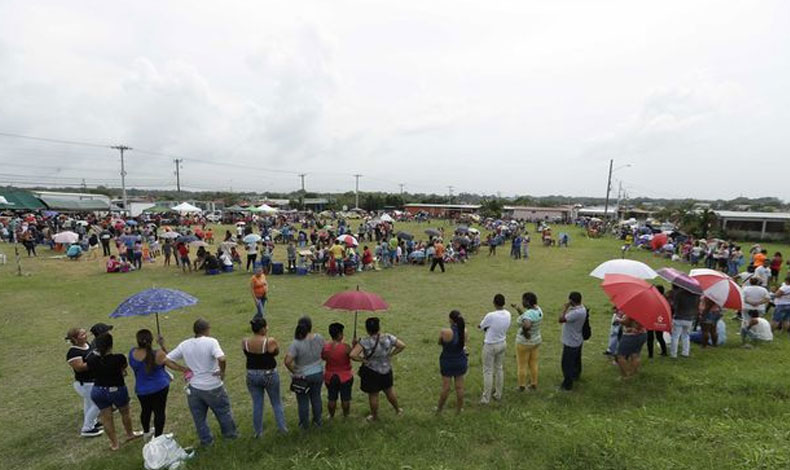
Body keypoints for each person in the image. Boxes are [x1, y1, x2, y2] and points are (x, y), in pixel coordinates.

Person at [166, 319, 237, 446]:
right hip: (213, 386)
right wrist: (222, 372)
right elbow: (222, 358)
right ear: (207, 329)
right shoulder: (211, 342)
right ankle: (230, 436)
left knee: (199, 418)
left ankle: (206, 441)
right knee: (223, 412)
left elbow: (167, 359)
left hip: (194, 388)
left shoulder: (185, 344)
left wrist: (183, 369)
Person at [85, 333, 143, 450]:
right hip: (117, 389)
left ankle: (114, 443)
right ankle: (129, 434)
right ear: (111, 345)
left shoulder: (90, 359)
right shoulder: (119, 358)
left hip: (98, 390)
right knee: (125, 412)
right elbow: (123, 369)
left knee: (106, 417)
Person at [129, 329, 188, 439]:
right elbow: (171, 361)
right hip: (160, 387)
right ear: (152, 340)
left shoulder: (132, 353)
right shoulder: (158, 354)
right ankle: (158, 437)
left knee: (145, 410)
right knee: (159, 412)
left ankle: (146, 432)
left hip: (142, 389)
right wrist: (162, 345)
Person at [350, 317, 405, 421]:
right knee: (389, 391)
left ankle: (374, 416)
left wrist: (363, 360)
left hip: (371, 372)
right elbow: (402, 345)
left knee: (373, 394)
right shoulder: (388, 337)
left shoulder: (365, 342)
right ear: (379, 327)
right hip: (386, 369)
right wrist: (391, 355)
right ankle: (398, 410)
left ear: (367, 329)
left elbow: (352, 355)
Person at [243, 318, 287, 438]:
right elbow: (275, 352)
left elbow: (248, 354)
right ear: (262, 328)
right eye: (266, 327)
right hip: (269, 374)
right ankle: (283, 429)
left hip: (251, 375)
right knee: (276, 403)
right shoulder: (269, 341)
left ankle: (258, 433)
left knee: (257, 404)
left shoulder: (245, 341)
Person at [284, 316, 325, 429]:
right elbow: (324, 352)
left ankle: (304, 425)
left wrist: (295, 371)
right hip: (318, 373)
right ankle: (318, 422)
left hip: (302, 376)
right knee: (316, 398)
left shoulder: (296, 343)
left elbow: (287, 361)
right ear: (311, 326)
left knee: (303, 401)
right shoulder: (319, 338)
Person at [65, 327, 103, 438]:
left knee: (89, 404)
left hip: (92, 381)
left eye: (85, 333)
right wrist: (95, 362)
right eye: (82, 335)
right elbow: (79, 367)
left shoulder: (87, 344)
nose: (85, 336)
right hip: (85, 383)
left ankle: (93, 422)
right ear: (75, 339)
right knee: (99, 402)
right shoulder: (73, 352)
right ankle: (87, 428)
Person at [477, 294, 511, 404]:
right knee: (499, 368)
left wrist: (482, 326)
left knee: (487, 371)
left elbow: (481, 326)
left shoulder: (491, 315)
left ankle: (486, 398)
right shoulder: (508, 314)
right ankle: (498, 393)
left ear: (494, 303)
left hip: (490, 345)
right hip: (502, 342)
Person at [436, 310, 468, 413]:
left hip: (447, 361)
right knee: (459, 387)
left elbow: (439, 342)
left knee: (446, 388)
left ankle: (439, 409)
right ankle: (459, 409)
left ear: (450, 319)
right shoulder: (464, 331)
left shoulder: (445, 332)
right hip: (460, 360)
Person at [321, 322, 354, 418]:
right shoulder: (346, 347)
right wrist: (354, 345)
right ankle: (346, 415)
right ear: (340, 335)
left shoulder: (325, 347)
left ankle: (331, 415)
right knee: (345, 398)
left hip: (330, 377)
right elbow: (353, 355)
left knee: (331, 398)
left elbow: (323, 357)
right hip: (345, 377)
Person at [513, 292, 543, 391]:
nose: (522, 302)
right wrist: (518, 309)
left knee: (522, 364)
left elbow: (527, 324)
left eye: (523, 300)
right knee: (533, 363)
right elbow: (526, 316)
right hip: (536, 341)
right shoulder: (538, 310)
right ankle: (534, 383)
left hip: (524, 343)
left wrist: (525, 333)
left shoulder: (529, 314)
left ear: (528, 302)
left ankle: (521, 386)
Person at [558, 292, 586, 391]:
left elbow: (561, 319)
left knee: (566, 364)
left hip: (570, 342)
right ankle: (576, 375)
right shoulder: (583, 309)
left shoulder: (575, 313)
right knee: (576, 361)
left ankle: (567, 385)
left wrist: (565, 308)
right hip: (578, 339)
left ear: (571, 301)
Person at [669, 285, 700, 358]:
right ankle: (685, 352)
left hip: (679, 317)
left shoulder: (679, 294)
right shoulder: (696, 295)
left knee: (675, 336)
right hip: (689, 318)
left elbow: (675, 306)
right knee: (686, 336)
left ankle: (673, 354)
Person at [646, 285, 668, 358]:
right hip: (659, 320)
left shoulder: (652, 298)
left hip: (650, 319)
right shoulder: (664, 299)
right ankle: (664, 351)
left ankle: (650, 354)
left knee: (650, 337)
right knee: (659, 336)